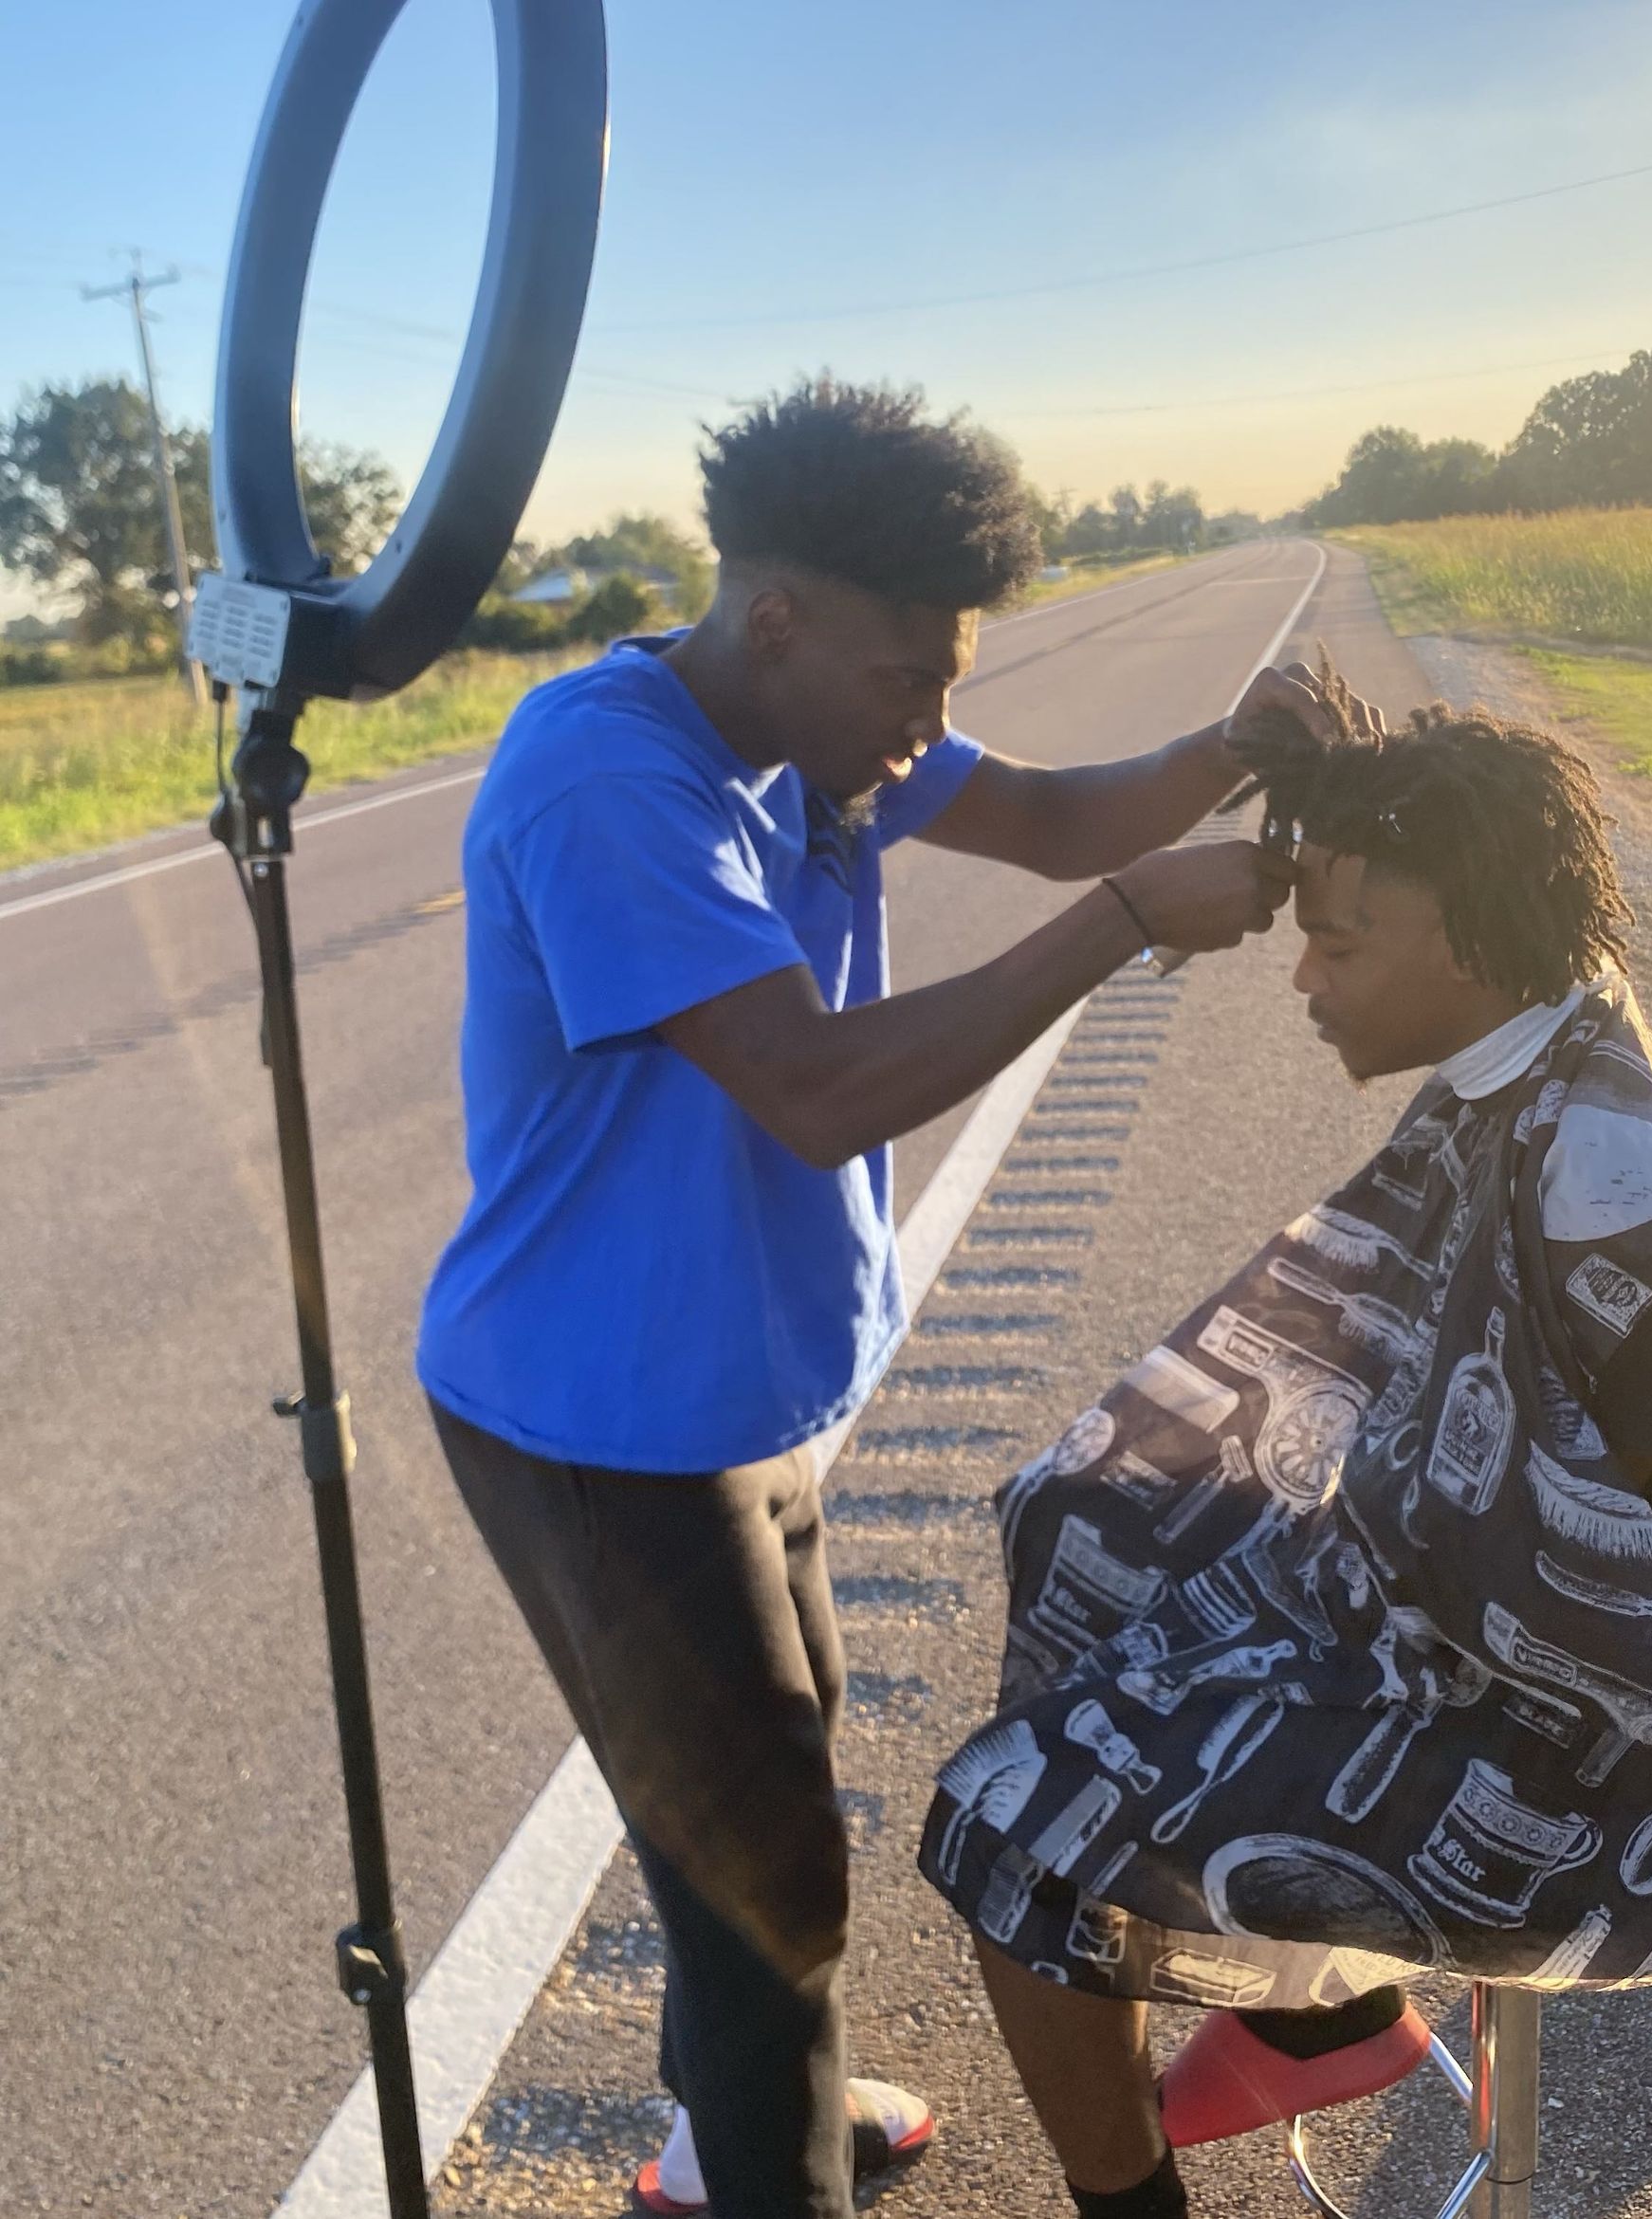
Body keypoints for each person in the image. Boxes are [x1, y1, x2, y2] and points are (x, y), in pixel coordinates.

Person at [415, 377, 1341, 2219]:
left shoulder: (820, 723)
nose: (934, 728)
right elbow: (816, 1080)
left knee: (778, 1766)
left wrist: (1237, 746)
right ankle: (759, 2159)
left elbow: (1066, 813)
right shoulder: (611, 776)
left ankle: (731, 2126)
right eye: (913, 681)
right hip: (594, 1429)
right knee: (773, 1911)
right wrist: (1131, 927)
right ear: (776, 619)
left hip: (728, 1398)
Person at [922, 683, 1652, 2219]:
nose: (1305, 979)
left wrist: (1301, 1619)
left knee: (1011, 1831)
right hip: (1469, 1607)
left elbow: (1582, 1584)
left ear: (1459, 941)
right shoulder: (1532, 1049)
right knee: (1077, 1525)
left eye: (1339, 940)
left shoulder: (1610, 1180)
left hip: (1590, 1735)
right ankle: (1315, 2013)